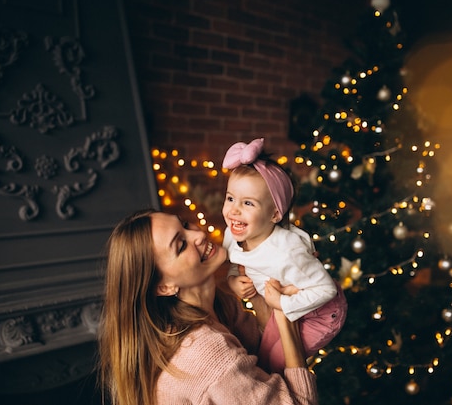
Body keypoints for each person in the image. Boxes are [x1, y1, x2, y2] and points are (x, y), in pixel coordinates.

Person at [98, 208, 318, 405]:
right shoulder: (206, 353)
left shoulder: (220, 306)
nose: (199, 234)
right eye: (181, 245)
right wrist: (285, 310)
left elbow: (266, 353)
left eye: (185, 225)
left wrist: (266, 290)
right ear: (164, 287)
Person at [222, 138, 348, 373]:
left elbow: (326, 290)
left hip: (319, 312)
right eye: (230, 198)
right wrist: (232, 280)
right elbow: (234, 261)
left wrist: (282, 303)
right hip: (282, 302)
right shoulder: (232, 233)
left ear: (274, 215)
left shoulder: (287, 252)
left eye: (248, 203)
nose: (234, 210)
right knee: (261, 355)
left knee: (275, 366)